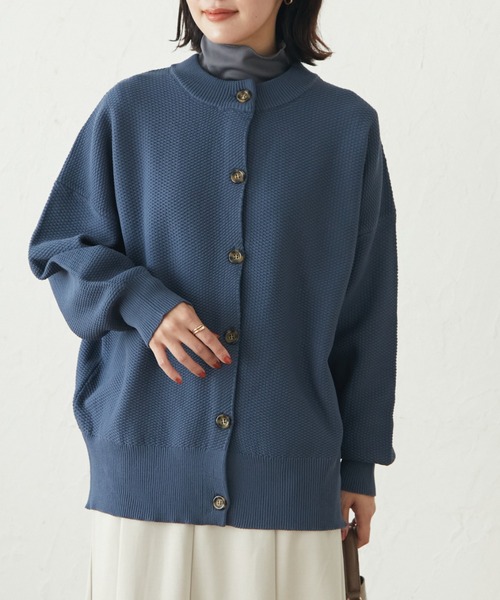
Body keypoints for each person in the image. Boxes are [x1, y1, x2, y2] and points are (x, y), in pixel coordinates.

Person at [27, 0, 398, 598]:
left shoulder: (345, 126)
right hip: (145, 489)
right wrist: (143, 302)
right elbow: (60, 248)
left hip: (290, 483)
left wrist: (358, 463)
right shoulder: (131, 110)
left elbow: (367, 310)